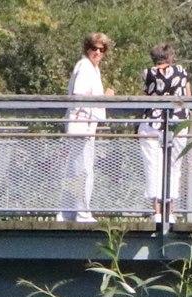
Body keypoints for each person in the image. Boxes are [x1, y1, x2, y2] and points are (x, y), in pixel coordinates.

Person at [62, 33, 113, 223]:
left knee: (75, 168)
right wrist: (104, 98)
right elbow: (80, 95)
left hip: (86, 125)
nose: (98, 52)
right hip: (81, 124)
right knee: (83, 169)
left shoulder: (93, 68)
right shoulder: (84, 67)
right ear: (87, 49)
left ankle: (66, 212)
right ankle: (82, 212)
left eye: (102, 49)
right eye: (94, 48)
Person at [138, 43, 191, 220]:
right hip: (178, 122)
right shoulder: (182, 71)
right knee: (174, 166)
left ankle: (157, 212)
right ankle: (171, 211)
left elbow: (146, 96)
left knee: (153, 166)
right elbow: (188, 96)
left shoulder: (148, 73)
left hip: (151, 123)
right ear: (170, 57)